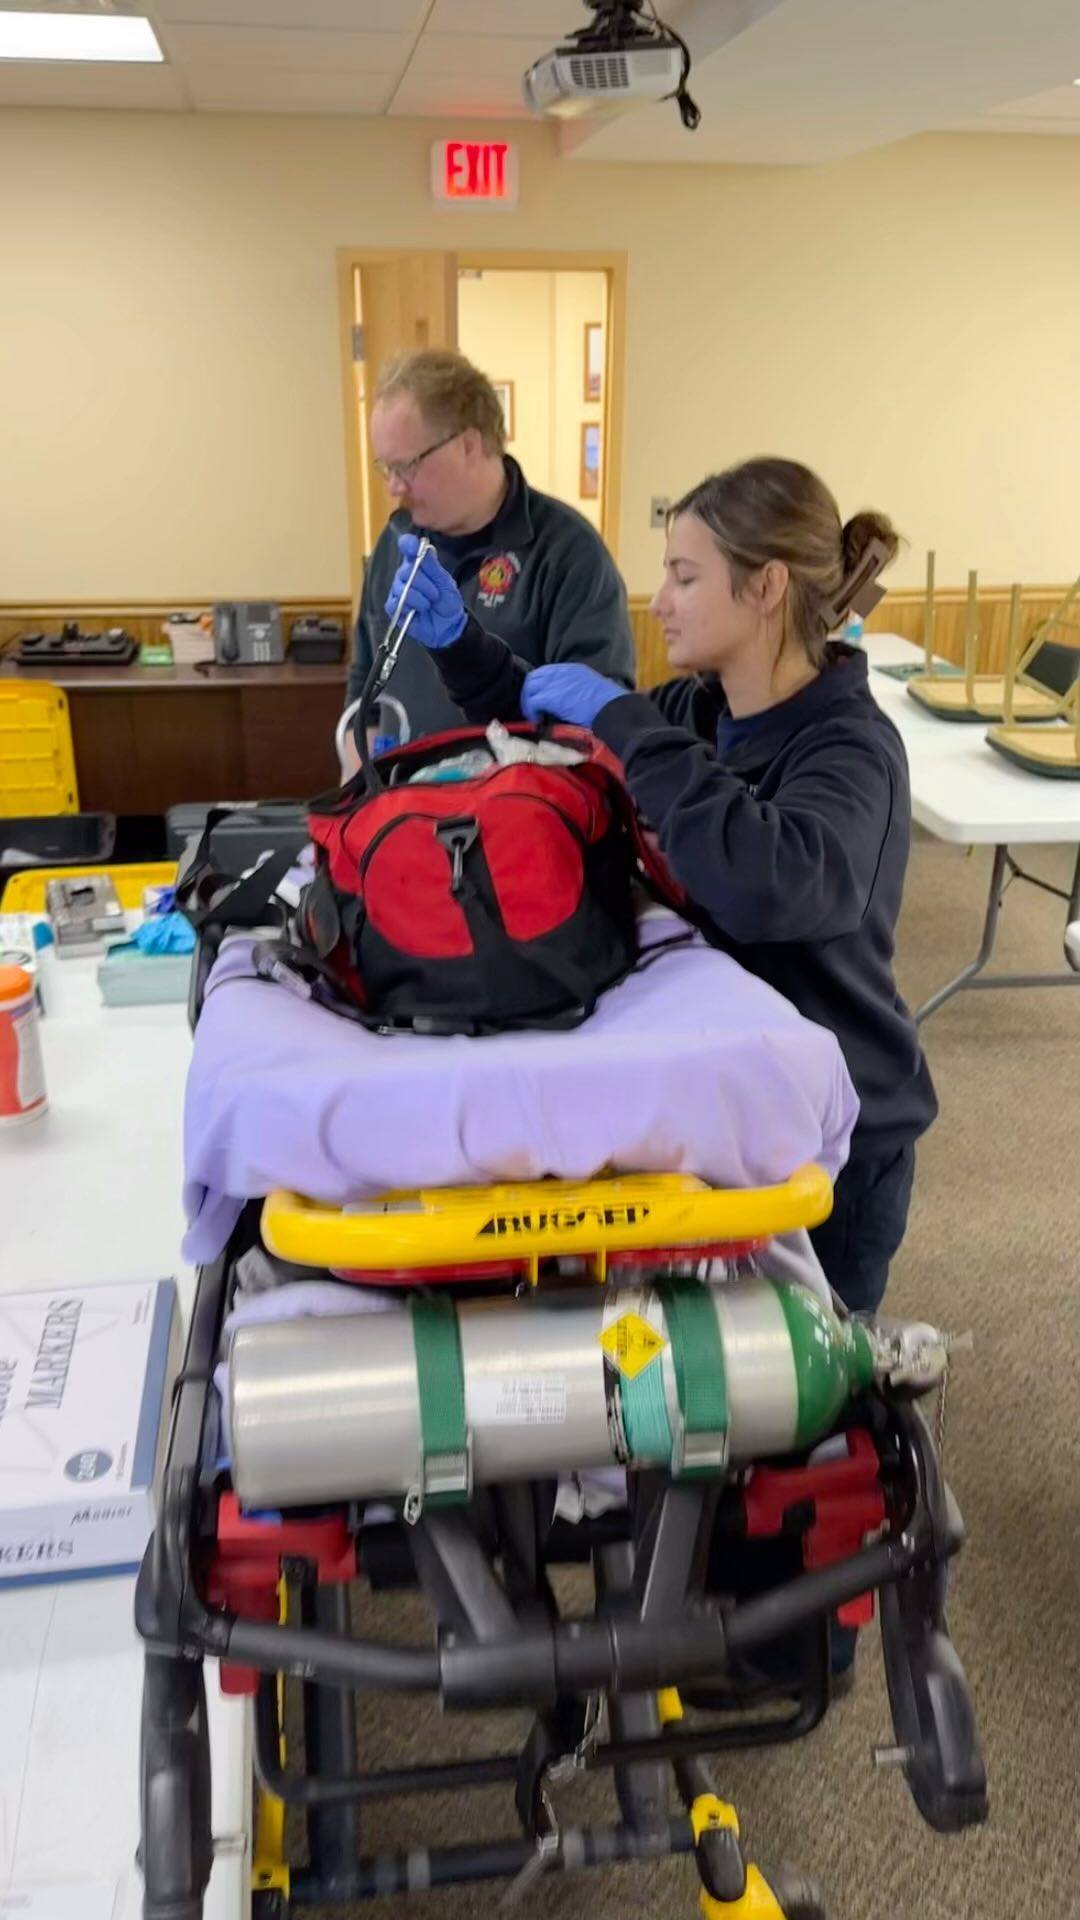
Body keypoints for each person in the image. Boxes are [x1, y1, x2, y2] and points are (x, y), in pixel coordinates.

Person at [383, 455, 937, 1317]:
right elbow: (558, 727)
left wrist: (631, 725)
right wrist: (464, 646)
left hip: (839, 1141)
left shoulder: (850, 751)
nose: (658, 601)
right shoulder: (702, 711)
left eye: (684, 576)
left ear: (766, 589)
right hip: (728, 1106)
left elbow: (768, 881)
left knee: (824, 1379)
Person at [343, 348, 633, 757]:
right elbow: (365, 681)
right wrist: (356, 777)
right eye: (385, 468)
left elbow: (597, 723)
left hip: (513, 809)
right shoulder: (396, 540)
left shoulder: (570, 555)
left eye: (406, 466)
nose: (394, 486)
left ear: (468, 445)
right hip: (400, 806)